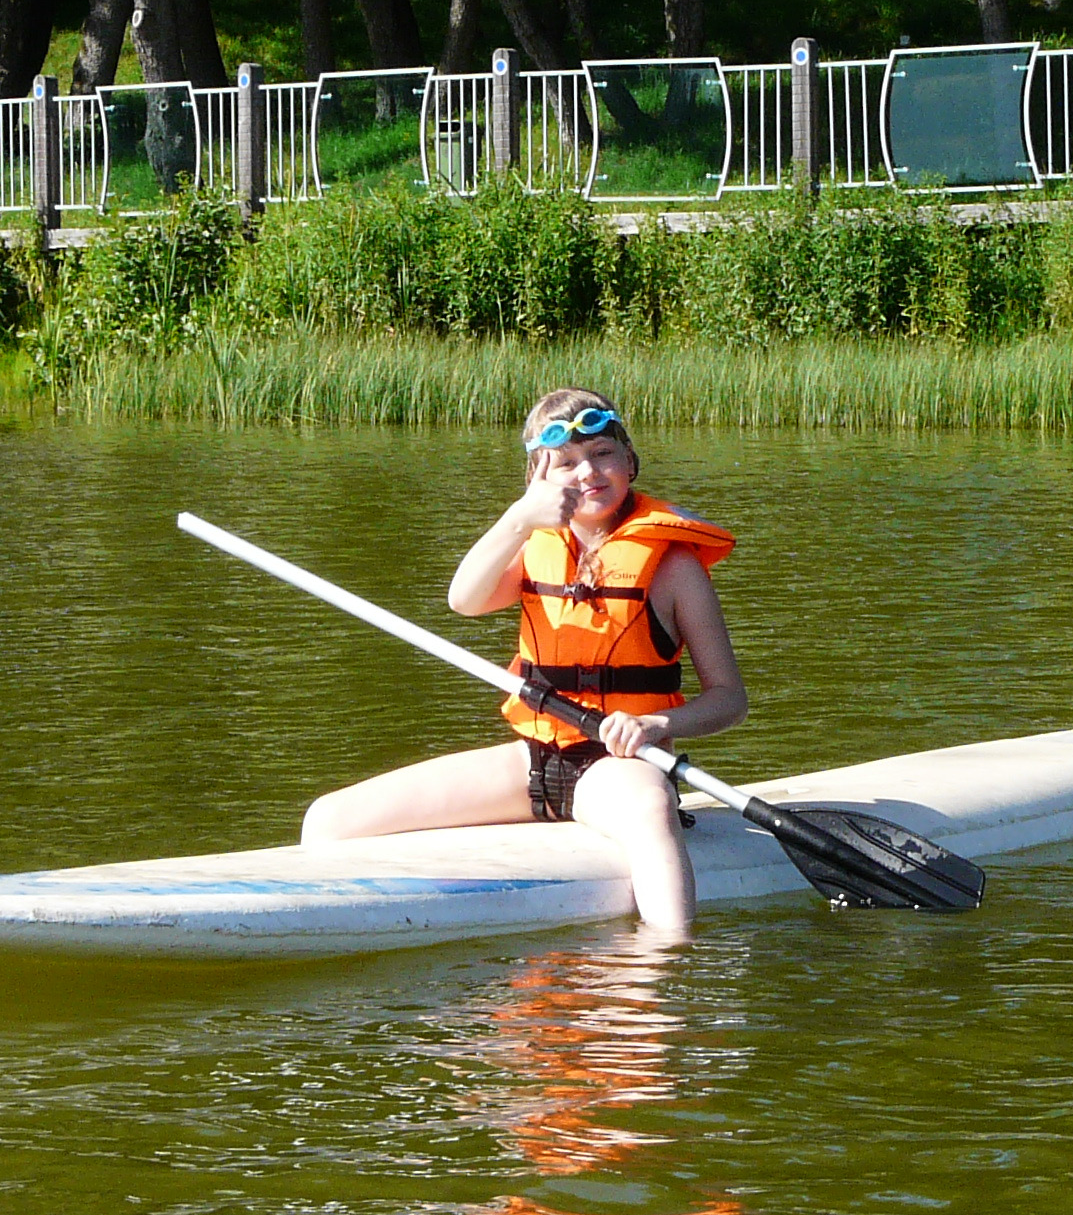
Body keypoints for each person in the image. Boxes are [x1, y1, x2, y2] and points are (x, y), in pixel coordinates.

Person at [300, 388, 747, 931]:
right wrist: (517, 519)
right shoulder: (530, 542)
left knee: (652, 814)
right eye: (565, 463)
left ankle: (663, 966)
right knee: (328, 820)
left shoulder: (675, 568)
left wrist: (655, 724)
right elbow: (463, 601)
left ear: (629, 460)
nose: (588, 473)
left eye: (603, 453)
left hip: (621, 769)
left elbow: (729, 700)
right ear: (538, 479)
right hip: (533, 760)